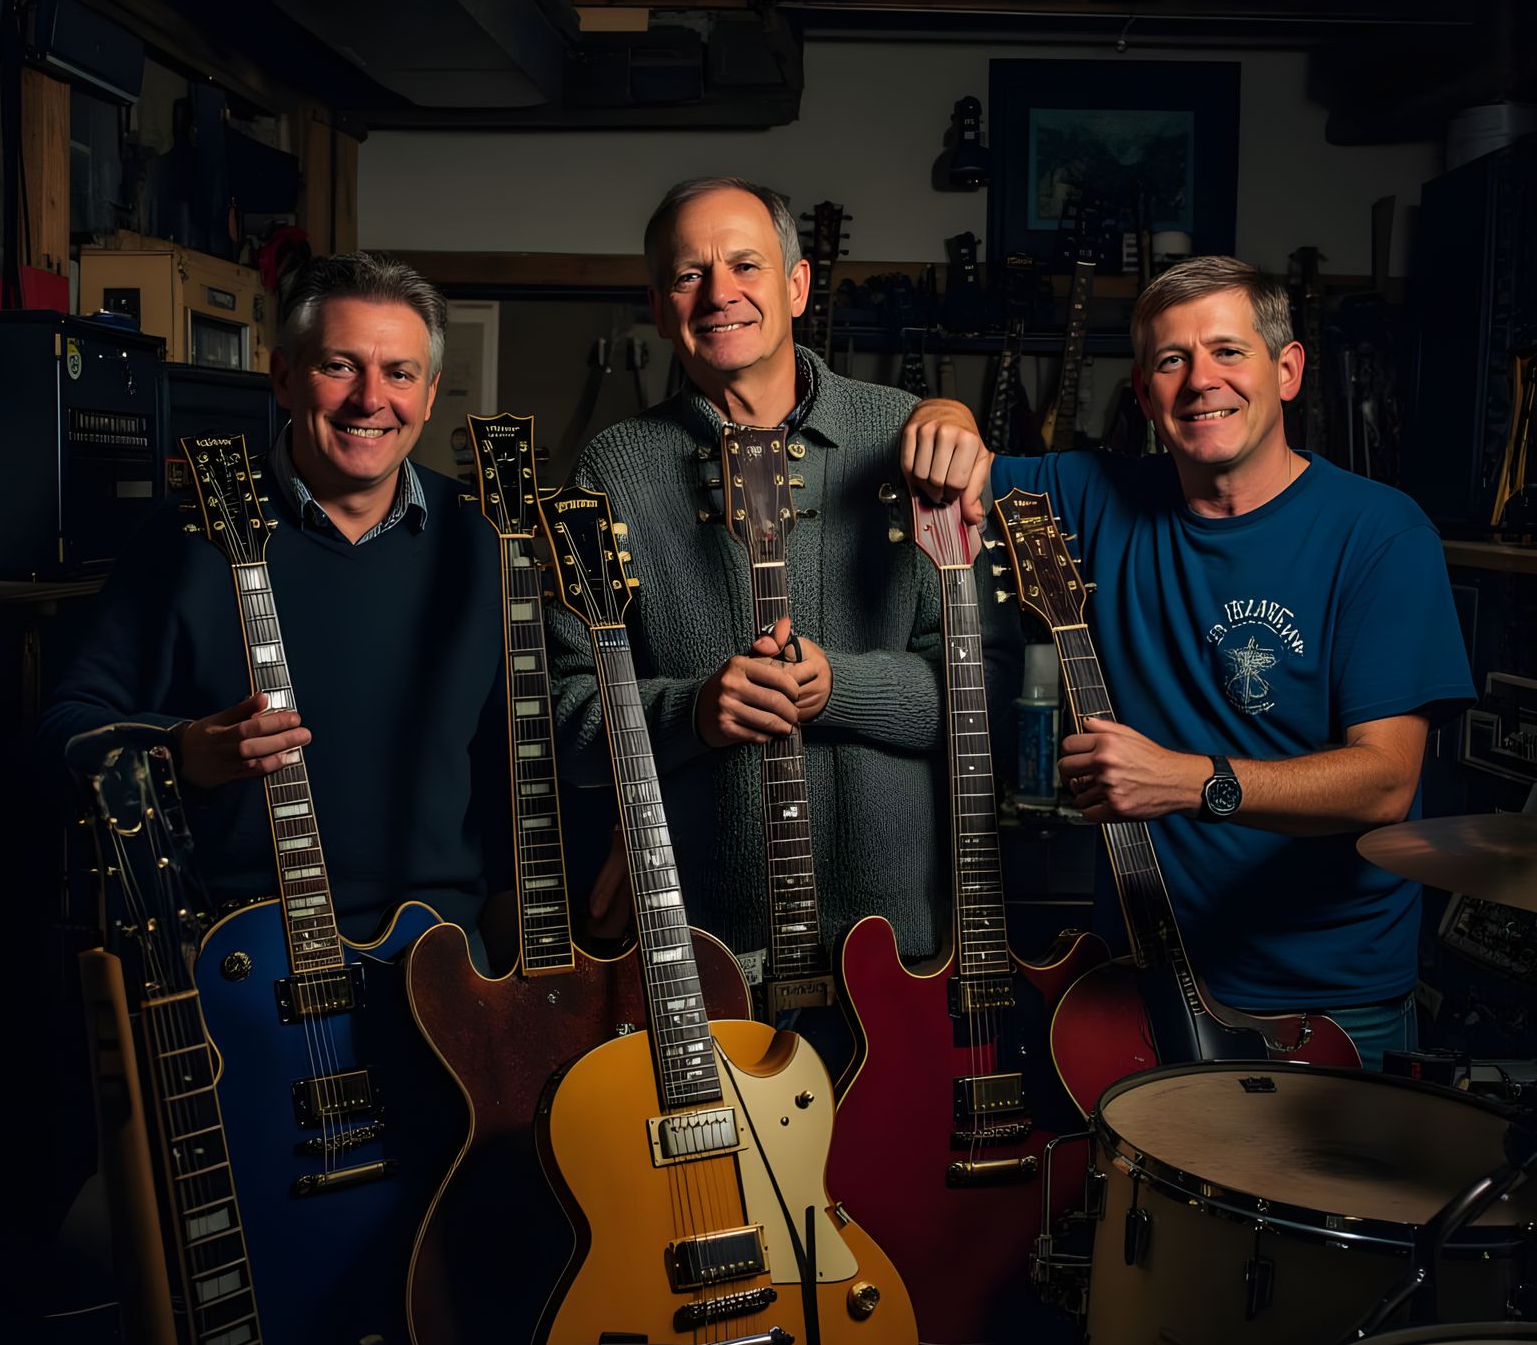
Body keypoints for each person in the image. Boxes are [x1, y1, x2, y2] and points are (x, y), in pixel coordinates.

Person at [900, 254, 1474, 1068]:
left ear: (1287, 370)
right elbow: (955, 470)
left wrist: (1189, 780)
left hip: (1329, 1003)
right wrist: (944, 408)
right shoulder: (1094, 495)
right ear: (1143, 394)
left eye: (1228, 352)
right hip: (1141, 987)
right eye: (1172, 360)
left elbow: (1385, 782)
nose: (1201, 381)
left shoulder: (1379, 534)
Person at [547, 176, 1018, 961]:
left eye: (746, 266)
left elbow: (986, 695)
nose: (718, 294)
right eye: (689, 274)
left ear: (797, 286)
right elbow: (564, 720)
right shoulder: (612, 470)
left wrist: (840, 686)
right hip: (705, 952)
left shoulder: (913, 440)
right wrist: (695, 711)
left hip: (902, 948)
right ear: (660, 308)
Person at [41, 251, 510, 942]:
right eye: (339, 366)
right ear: (284, 378)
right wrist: (181, 753)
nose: (370, 399)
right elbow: (60, 730)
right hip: (243, 950)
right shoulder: (187, 539)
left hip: (438, 955)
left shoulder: (488, 543)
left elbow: (516, 767)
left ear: (430, 393)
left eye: (399, 373)